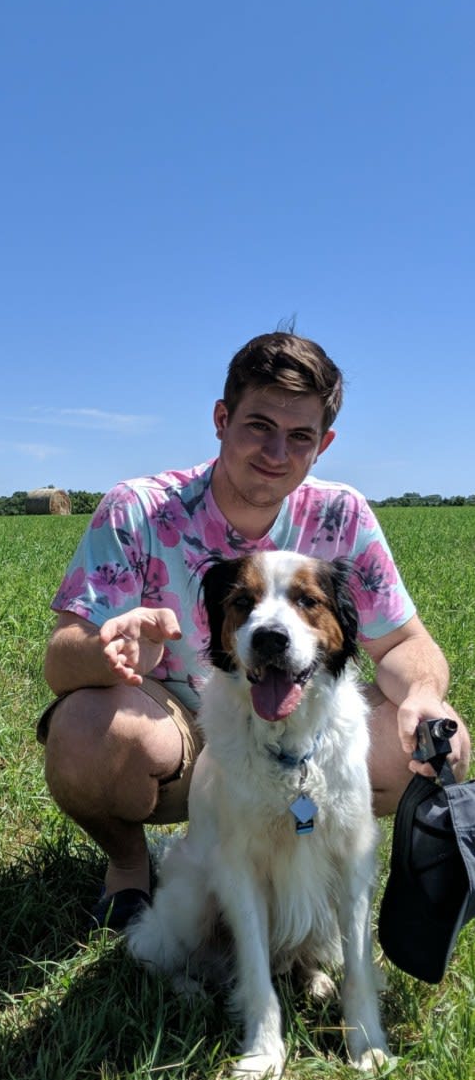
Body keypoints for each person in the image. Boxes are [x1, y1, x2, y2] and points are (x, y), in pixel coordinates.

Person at [37, 332, 471, 930]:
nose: (276, 451)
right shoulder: (138, 508)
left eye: (299, 436)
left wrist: (421, 697)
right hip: (177, 728)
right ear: (221, 419)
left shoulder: (342, 515)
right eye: (258, 425)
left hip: (297, 736)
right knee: (85, 732)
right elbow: (60, 663)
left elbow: (403, 643)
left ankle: (305, 870)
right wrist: (108, 647)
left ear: (323, 444)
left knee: (428, 739)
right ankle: (131, 869)